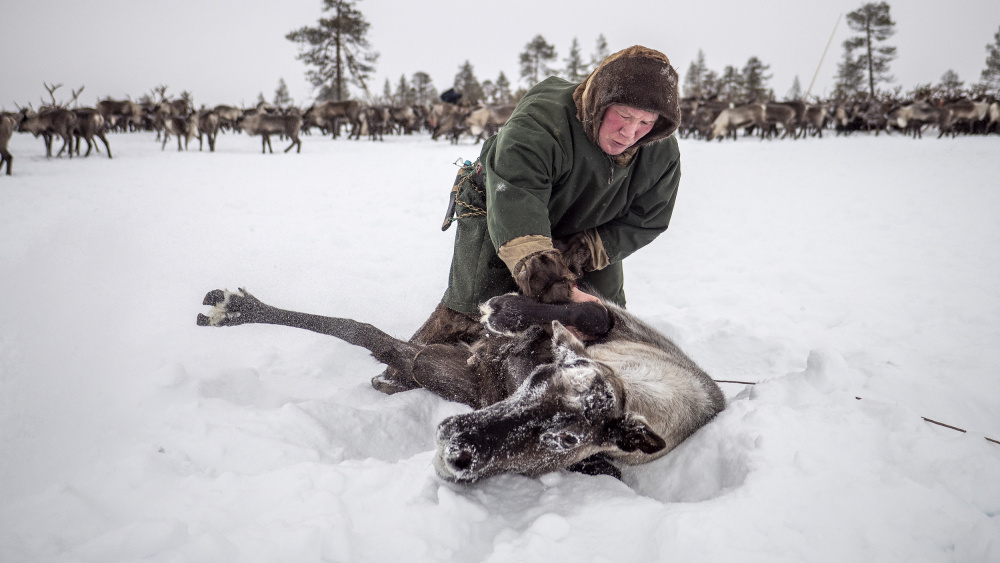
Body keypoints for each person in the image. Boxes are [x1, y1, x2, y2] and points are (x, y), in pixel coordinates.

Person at [374, 45, 682, 394]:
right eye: (624, 116)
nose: (631, 132)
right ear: (600, 102)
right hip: (501, 203)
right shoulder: (542, 121)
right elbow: (517, 194)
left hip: (586, 227)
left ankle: (595, 383)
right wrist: (553, 285)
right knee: (474, 304)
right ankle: (401, 371)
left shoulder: (661, 152)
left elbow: (648, 217)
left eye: (646, 122)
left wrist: (585, 250)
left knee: (603, 318)